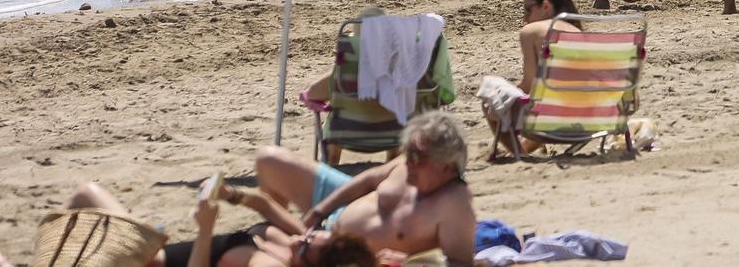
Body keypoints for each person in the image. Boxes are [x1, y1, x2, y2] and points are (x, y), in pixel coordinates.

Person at [253, 112, 476, 266]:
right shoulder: (408, 163)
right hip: (335, 209)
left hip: (345, 256)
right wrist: (321, 210)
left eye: (418, 157)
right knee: (268, 160)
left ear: (446, 165)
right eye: (407, 151)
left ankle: (283, 245)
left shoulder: (455, 204)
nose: (408, 161)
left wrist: (409, 264)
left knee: (259, 244)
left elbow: (460, 263)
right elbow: (368, 180)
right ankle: (284, 231)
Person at [61, 177, 373, 267]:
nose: (299, 240)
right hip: (153, 247)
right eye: (309, 237)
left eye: (303, 251)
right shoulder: (300, 240)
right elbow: (265, 205)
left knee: (85, 198)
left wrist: (206, 230)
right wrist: (230, 194)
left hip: (144, 260)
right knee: (85, 197)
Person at [478, 0, 577, 159]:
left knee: (490, 94)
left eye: (527, 10)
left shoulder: (531, 31)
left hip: (550, 119)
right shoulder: (577, 31)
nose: (525, 18)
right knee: (547, 97)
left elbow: (529, 84)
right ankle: (524, 149)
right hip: (586, 117)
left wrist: (506, 91)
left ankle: (520, 154)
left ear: (545, 6)